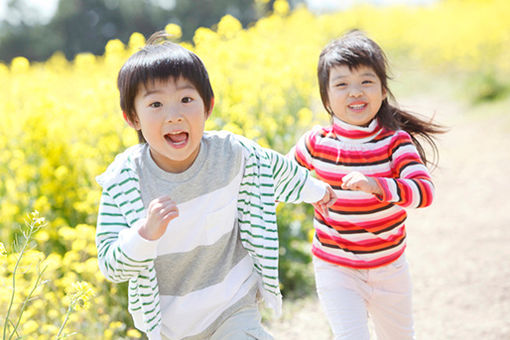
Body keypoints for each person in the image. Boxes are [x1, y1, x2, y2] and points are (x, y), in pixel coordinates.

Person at [95, 31, 336, 340]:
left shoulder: (231, 153)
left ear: (207, 106)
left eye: (186, 99)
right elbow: (110, 264)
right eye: (155, 104)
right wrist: (144, 235)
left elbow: (274, 170)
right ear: (132, 118)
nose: (174, 115)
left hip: (233, 306)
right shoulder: (124, 180)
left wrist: (317, 192)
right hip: (170, 326)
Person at [289, 30, 445, 340]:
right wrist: (313, 191)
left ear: (384, 90)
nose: (355, 92)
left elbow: (424, 193)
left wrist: (378, 186)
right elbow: (282, 178)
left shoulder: (395, 142)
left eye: (366, 82)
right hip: (336, 268)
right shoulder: (315, 143)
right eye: (342, 84)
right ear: (326, 97)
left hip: (389, 269)